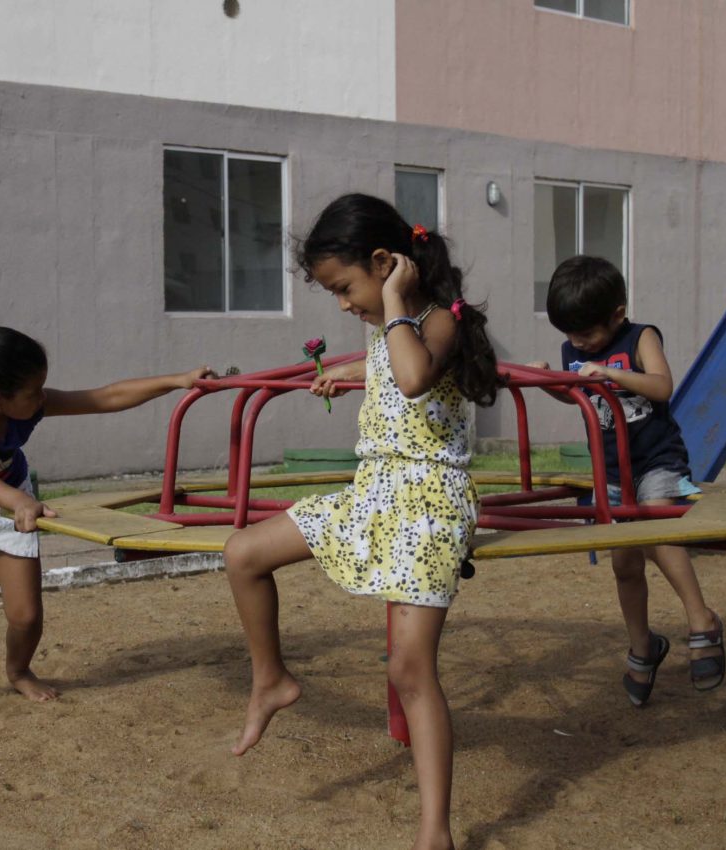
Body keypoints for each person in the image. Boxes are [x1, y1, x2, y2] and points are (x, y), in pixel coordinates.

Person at [223, 194, 500, 850]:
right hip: (372, 494)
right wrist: (348, 370)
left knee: (411, 669)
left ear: (386, 263)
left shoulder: (437, 321)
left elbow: (411, 379)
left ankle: (435, 830)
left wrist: (397, 304)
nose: (344, 305)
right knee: (242, 553)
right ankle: (272, 679)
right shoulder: (393, 331)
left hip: (429, 505)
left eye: (345, 288)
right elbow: (388, 369)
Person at [0, 326, 212, 703]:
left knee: (26, 617)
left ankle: (18, 670)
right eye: (34, 391)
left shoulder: (30, 405)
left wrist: (179, 380)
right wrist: (19, 503)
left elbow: (106, 396)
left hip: (11, 499)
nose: (42, 398)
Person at [529, 255, 725, 707]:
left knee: (657, 524)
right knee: (624, 564)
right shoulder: (573, 349)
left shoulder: (641, 337)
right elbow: (576, 394)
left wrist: (613, 372)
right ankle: (643, 644)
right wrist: (549, 381)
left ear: (617, 314)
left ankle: (702, 620)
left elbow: (661, 386)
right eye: (570, 337)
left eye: (586, 335)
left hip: (656, 461)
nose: (578, 344)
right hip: (611, 470)